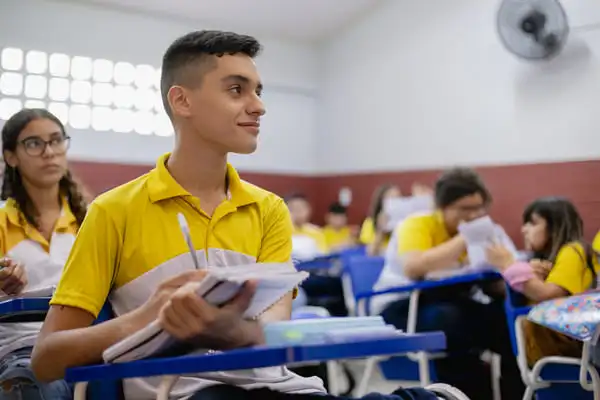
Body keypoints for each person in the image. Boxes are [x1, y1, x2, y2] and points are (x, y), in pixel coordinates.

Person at [31, 30, 468, 400]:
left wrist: (229, 330)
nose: (258, 106)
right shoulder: (113, 210)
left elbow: (272, 334)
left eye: (258, 91)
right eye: (237, 90)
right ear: (181, 101)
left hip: (278, 389)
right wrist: (149, 318)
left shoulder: (268, 209)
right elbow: (47, 358)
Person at [377, 168, 524, 400]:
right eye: (465, 209)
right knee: (449, 320)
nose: (475, 215)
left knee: (506, 321)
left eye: (479, 208)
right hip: (404, 305)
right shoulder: (416, 224)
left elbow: (502, 276)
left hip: (456, 300)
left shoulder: (489, 231)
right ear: (442, 206)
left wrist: (503, 277)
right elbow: (413, 268)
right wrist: (465, 238)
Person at [0, 108, 88, 400]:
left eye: (56, 140)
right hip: (21, 349)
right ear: (11, 156)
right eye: (34, 143)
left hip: (84, 343)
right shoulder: (2, 223)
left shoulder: (92, 220)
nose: (49, 152)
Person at [486, 197, 599, 366]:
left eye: (533, 223)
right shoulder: (542, 260)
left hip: (574, 347)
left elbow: (547, 295)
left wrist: (509, 265)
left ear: (555, 228)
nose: (524, 230)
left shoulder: (574, 250)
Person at [359, 184, 401, 256]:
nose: (395, 202)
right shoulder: (369, 223)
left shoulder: (406, 223)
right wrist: (381, 230)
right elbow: (370, 253)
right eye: (391, 199)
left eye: (398, 198)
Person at [286, 193, 328, 261]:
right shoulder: (280, 232)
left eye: (301, 208)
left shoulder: (316, 232)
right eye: (293, 208)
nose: (298, 212)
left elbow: (323, 256)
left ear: (309, 210)